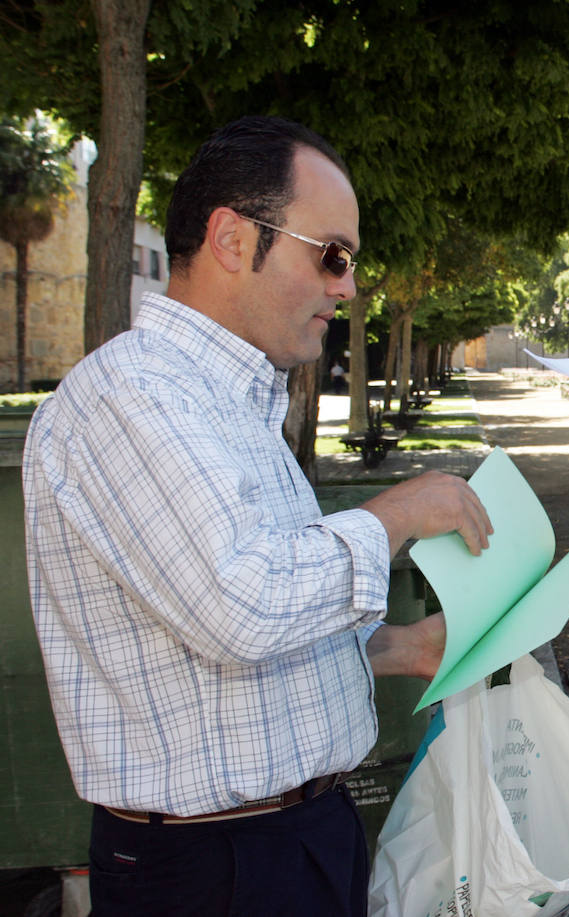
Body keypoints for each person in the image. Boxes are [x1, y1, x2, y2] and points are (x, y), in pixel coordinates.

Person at [23, 116, 493, 917]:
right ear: (233, 239)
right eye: (333, 254)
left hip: (292, 841)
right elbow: (241, 602)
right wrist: (400, 512)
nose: (347, 287)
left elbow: (235, 645)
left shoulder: (224, 403)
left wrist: (400, 646)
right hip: (216, 867)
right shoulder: (131, 394)